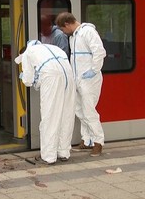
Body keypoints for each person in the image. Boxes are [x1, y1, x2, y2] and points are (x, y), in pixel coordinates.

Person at [15, 40, 76, 164]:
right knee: (66, 115)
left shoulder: (28, 53)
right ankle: (64, 152)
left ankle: (48, 156)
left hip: (51, 78)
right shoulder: (53, 47)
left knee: (50, 117)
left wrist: (24, 77)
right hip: (69, 77)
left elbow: (28, 80)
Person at [55, 12, 106, 157]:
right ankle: (87, 140)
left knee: (89, 111)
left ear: (67, 24)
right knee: (79, 109)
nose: (64, 33)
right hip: (78, 78)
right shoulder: (74, 36)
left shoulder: (88, 32)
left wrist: (94, 70)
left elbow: (99, 52)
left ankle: (98, 142)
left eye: (63, 29)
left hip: (90, 79)